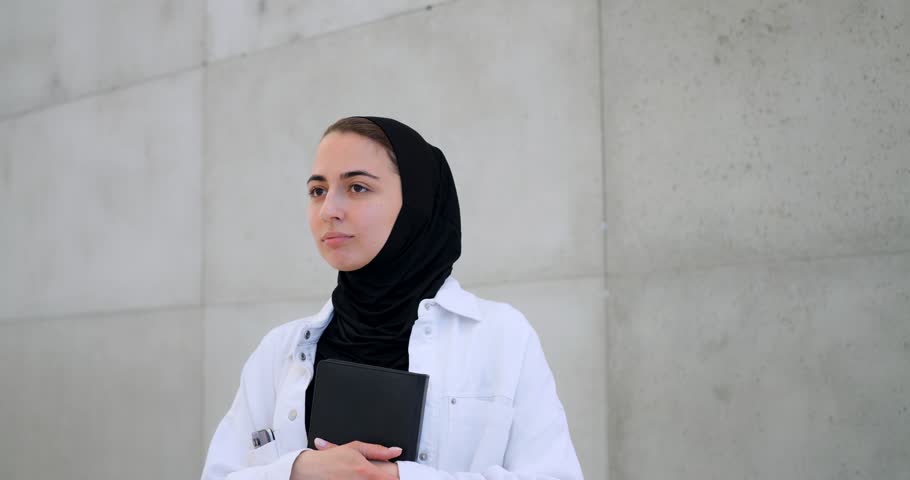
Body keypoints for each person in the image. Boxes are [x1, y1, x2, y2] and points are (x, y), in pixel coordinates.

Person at [201, 117, 583, 480]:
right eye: (318, 191)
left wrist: (397, 477)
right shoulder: (280, 350)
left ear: (416, 202)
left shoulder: (502, 336)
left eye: (357, 187)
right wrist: (298, 471)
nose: (329, 210)